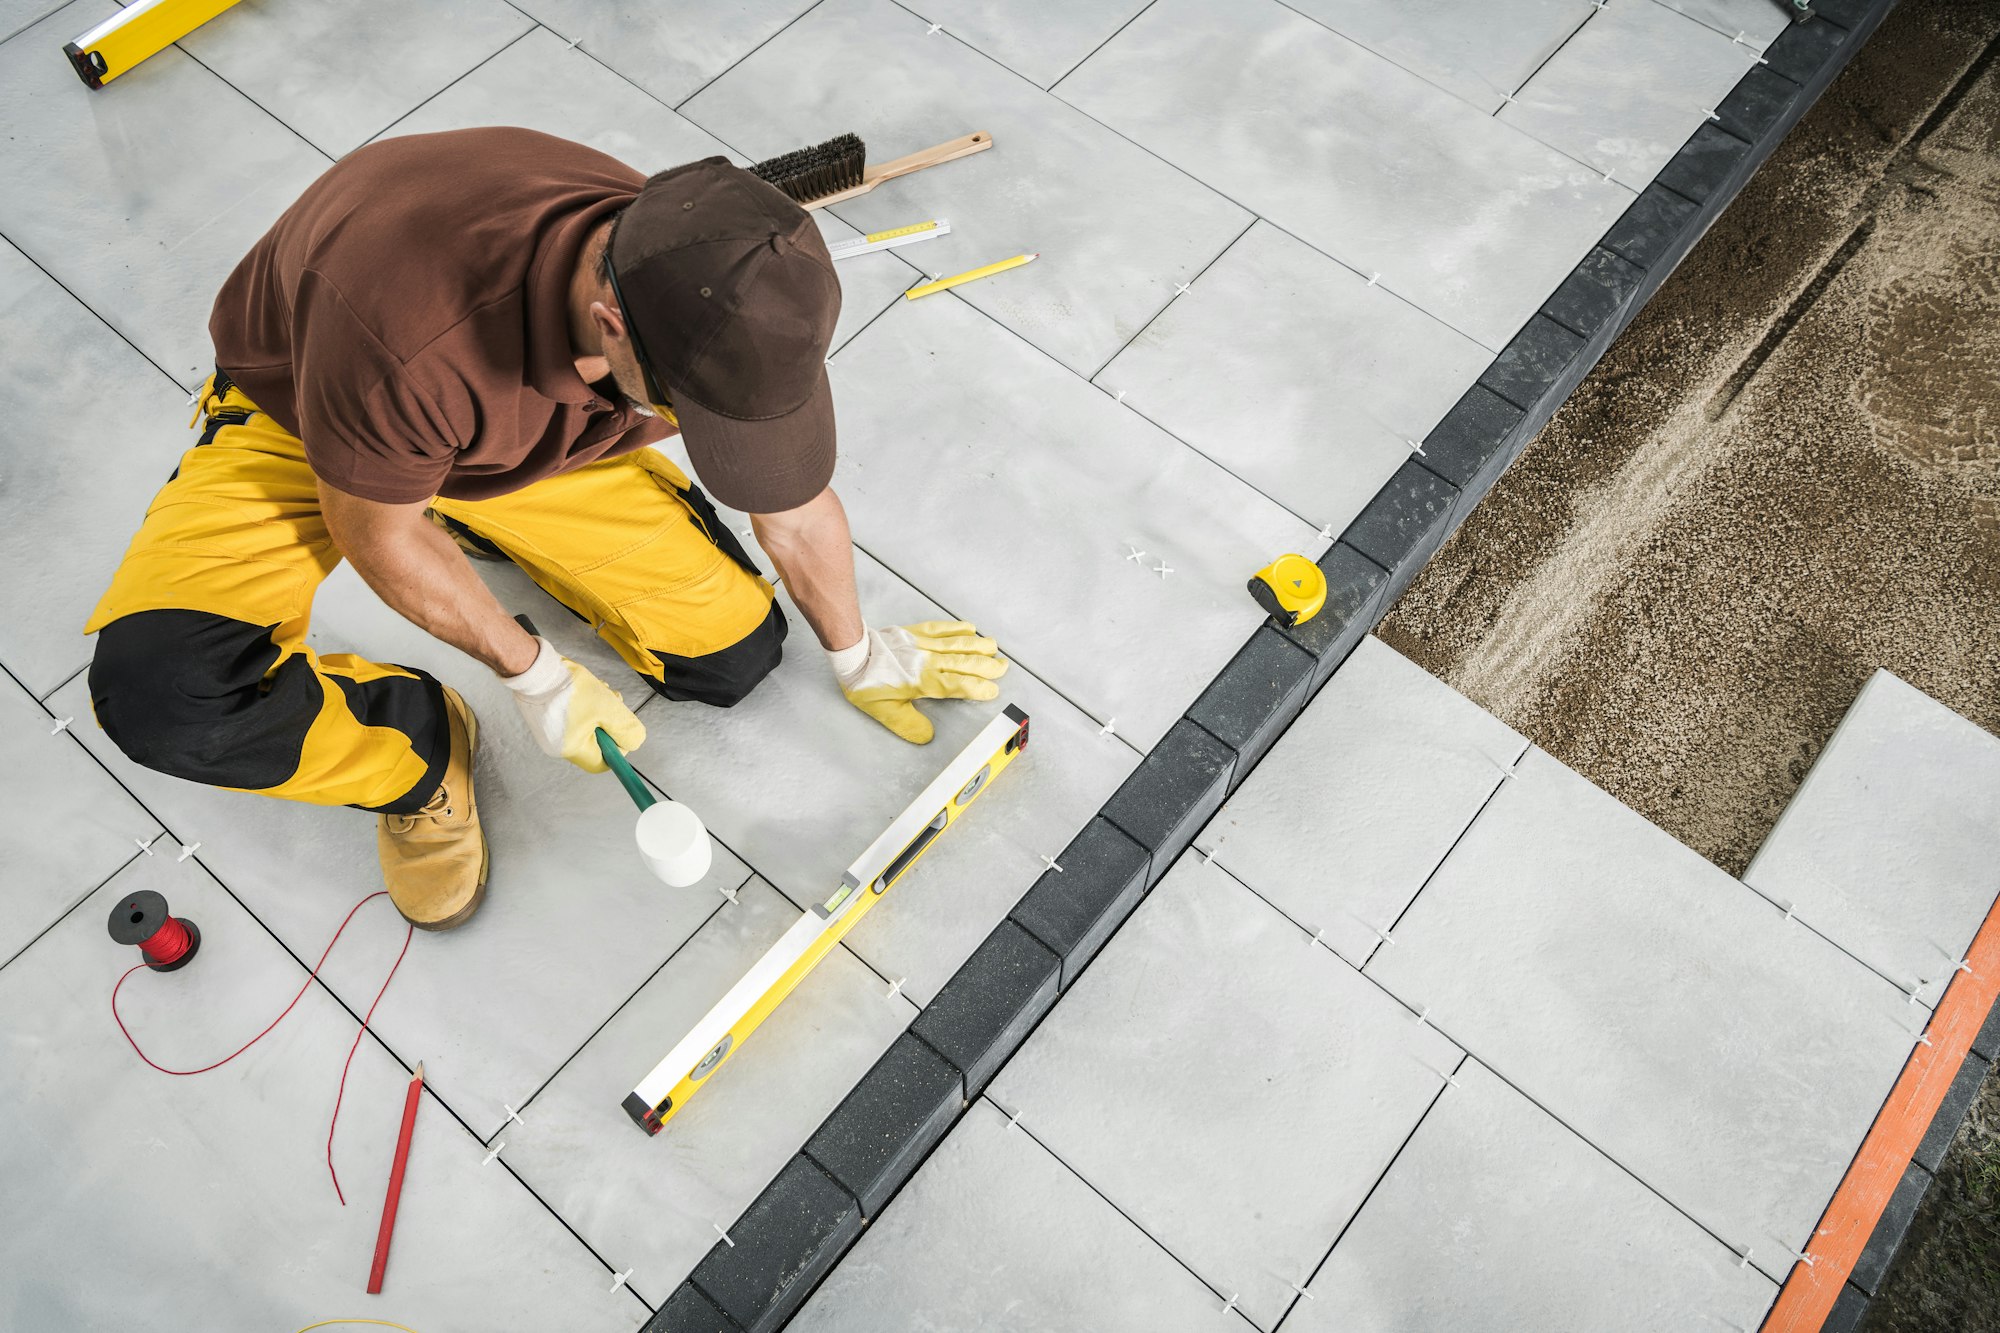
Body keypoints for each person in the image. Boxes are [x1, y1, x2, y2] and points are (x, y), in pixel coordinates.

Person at [84, 127, 1007, 932]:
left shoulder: (704, 276)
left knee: (728, 659)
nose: (707, 432)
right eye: (697, 417)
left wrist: (857, 654)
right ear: (608, 326)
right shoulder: (403, 341)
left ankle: (483, 519)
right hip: (320, 423)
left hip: (517, 443)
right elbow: (382, 538)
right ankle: (413, 750)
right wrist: (535, 676)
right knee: (168, 696)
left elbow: (793, 508)